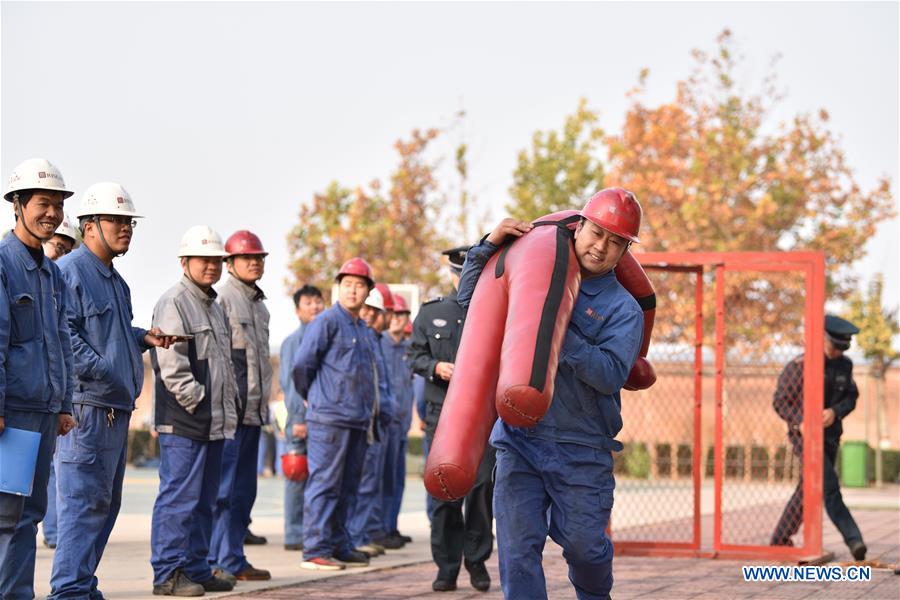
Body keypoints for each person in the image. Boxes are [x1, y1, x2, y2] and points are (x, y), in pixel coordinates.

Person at [456, 188, 645, 599]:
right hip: (519, 441)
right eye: (597, 233)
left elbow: (611, 373)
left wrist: (553, 328)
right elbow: (473, 306)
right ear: (579, 227)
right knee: (517, 552)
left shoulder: (622, 308)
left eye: (616, 242)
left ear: (625, 250)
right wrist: (485, 249)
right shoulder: (535, 273)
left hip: (581, 447)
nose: (602, 247)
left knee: (585, 549)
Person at [50, 182, 177, 599]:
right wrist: (104, 370)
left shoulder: (116, 283)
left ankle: (82, 586)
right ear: (89, 225)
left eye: (129, 222)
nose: (126, 229)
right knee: (83, 505)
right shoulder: (70, 271)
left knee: (105, 507)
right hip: (89, 408)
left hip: (114, 408)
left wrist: (145, 337)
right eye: (116, 220)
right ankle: (68, 591)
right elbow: (63, 334)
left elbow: (110, 332)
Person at [0, 158, 77, 599]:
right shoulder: (4, 264)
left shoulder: (51, 273)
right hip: (12, 415)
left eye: (57, 205)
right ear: (18, 205)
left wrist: (64, 404)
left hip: (44, 412)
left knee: (30, 514)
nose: (52, 213)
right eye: (43, 203)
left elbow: (61, 339)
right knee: (8, 517)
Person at [149, 225, 239, 596]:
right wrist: (199, 401)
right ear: (185, 262)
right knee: (179, 500)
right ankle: (168, 574)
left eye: (217, 260)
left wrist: (219, 408)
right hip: (185, 420)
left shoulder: (213, 306)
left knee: (205, 501)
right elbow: (172, 365)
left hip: (211, 421)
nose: (212, 266)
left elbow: (222, 364)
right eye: (205, 259)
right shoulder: (174, 302)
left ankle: (197, 567)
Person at [409, 245, 495, 593]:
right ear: (452, 275)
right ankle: (446, 567)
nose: (464, 281)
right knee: (444, 493)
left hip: (481, 418)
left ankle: (476, 561)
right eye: (460, 275)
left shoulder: (491, 311)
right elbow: (414, 355)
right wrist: (436, 367)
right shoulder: (431, 313)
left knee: (481, 491)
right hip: (441, 415)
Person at [292, 257, 380, 570]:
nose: (353, 291)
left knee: (348, 487)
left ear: (368, 291)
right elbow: (302, 366)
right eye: (347, 285)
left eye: (359, 285)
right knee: (325, 484)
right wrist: (315, 399)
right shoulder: (327, 322)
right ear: (338, 288)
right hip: (329, 418)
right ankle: (315, 549)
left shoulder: (364, 329)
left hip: (357, 420)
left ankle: (340, 545)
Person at [771, 314, 867, 561]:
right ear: (821, 339)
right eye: (834, 346)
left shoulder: (844, 365)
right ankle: (854, 539)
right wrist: (800, 421)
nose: (837, 352)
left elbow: (851, 397)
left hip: (831, 436)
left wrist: (835, 412)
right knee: (829, 487)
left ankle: (780, 540)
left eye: (842, 348)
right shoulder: (799, 366)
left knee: (808, 489)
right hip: (805, 439)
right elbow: (780, 401)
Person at [208, 230, 273, 582]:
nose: (254, 262)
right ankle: (216, 559)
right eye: (247, 257)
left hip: (253, 413)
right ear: (229, 263)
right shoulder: (223, 299)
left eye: (259, 257)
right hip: (231, 413)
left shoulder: (259, 304)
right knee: (223, 491)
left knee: (244, 491)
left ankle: (233, 557)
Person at [41, 212, 80, 551]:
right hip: (20, 400)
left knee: (52, 472)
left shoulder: (58, 286)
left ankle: (54, 533)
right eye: (58, 246)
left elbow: (64, 345)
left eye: (69, 249)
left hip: (50, 399)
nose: (62, 255)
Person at [347, 286, 395, 556]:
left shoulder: (376, 340)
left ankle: (362, 533)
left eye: (373, 311)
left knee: (371, 484)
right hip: (365, 422)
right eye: (366, 310)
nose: (369, 316)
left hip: (378, 422)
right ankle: (355, 537)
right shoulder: (362, 339)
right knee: (361, 484)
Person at [280, 285, 325, 551]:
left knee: (319, 478)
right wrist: (299, 419)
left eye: (318, 301)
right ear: (298, 310)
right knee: (296, 476)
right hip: (301, 421)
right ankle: (294, 533)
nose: (315, 307)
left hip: (323, 420)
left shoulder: (327, 336)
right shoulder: (292, 342)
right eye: (308, 303)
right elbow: (290, 384)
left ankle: (313, 530)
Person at [380, 292, 415, 546]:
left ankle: (391, 526)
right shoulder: (378, 343)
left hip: (401, 423)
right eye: (394, 314)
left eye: (402, 314)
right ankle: (379, 528)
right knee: (382, 478)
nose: (397, 319)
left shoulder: (408, 350)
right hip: (383, 423)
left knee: (397, 479)